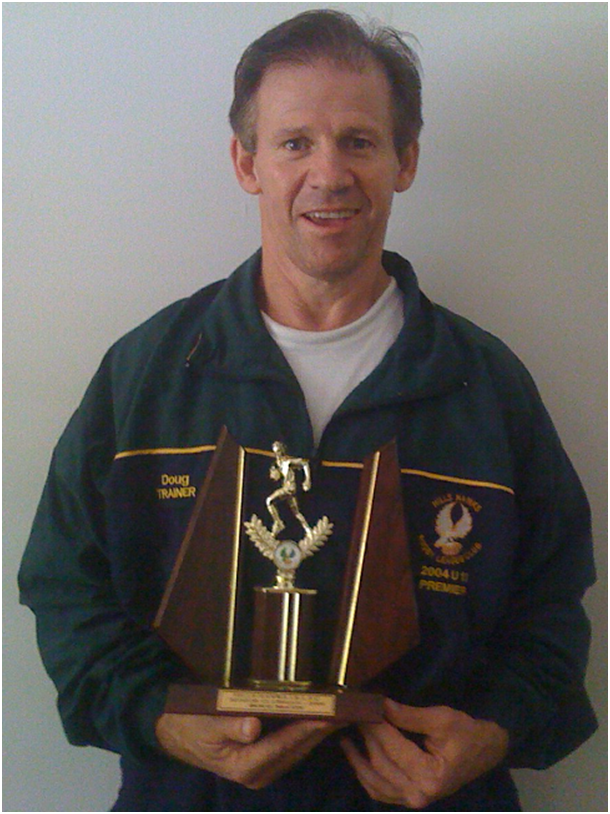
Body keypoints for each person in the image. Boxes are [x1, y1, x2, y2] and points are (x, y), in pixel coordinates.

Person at [18, 9, 597, 811]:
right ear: (246, 162)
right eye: (295, 143)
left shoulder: (488, 390)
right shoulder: (146, 374)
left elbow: (551, 615)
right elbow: (64, 591)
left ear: (407, 160)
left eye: (359, 140)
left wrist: (494, 732)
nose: (329, 174)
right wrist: (155, 716)